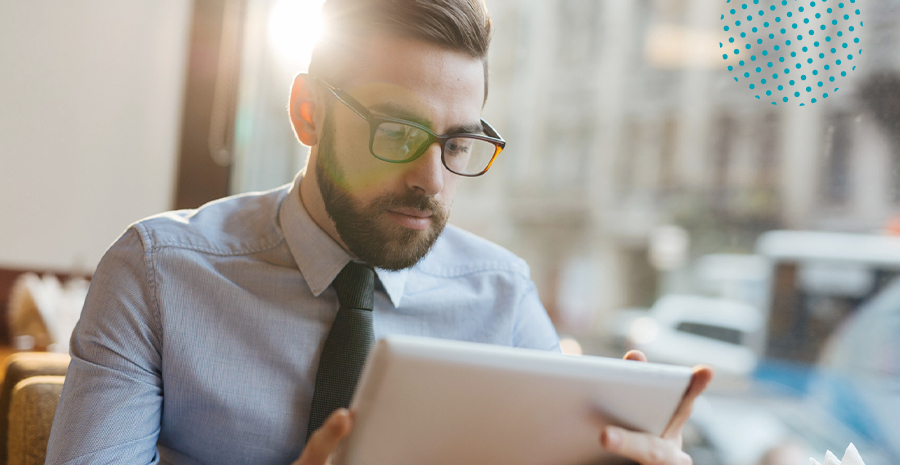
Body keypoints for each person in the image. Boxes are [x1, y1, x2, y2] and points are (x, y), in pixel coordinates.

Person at [46, 0, 713, 464]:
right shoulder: (156, 272)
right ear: (308, 112)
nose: (430, 179)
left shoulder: (502, 298)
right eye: (397, 132)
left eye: (458, 141)